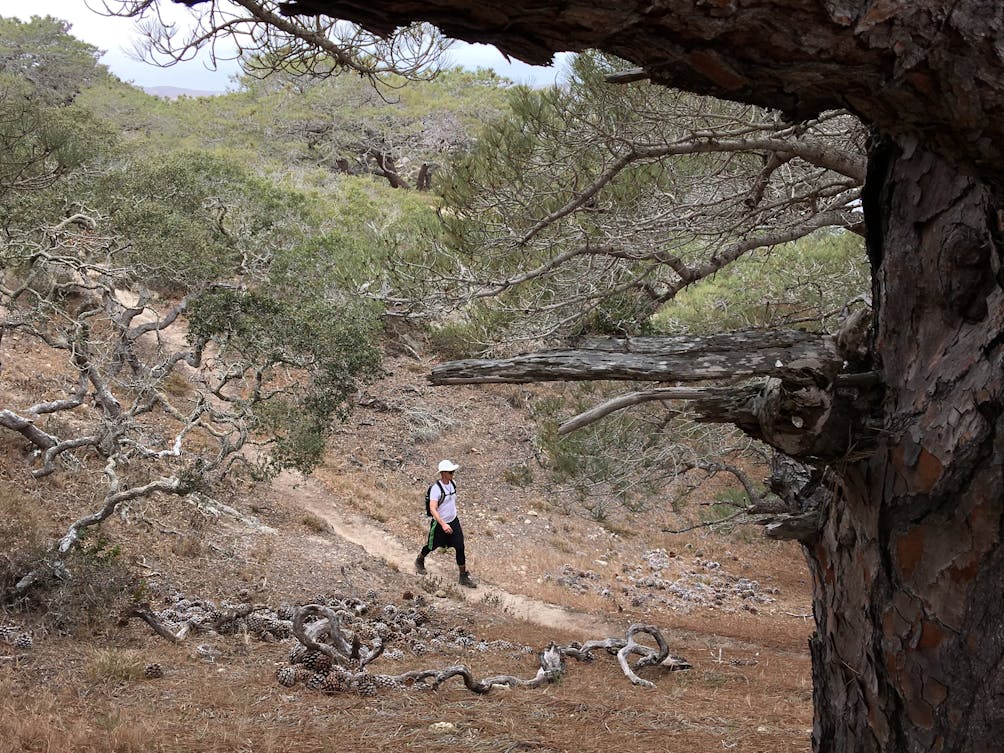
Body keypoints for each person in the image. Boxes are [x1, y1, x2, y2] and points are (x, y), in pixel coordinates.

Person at [415, 459, 477, 588]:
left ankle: (463, 576)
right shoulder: (436, 489)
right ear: (443, 473)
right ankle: (420, 559)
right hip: (439, 524)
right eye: (450, 472)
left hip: (453, 521)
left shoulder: (453, 484)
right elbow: (433, 508)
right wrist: (443, 524)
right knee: (432, 546)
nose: (453, 474)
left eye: (453, 471)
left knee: (460, 546)